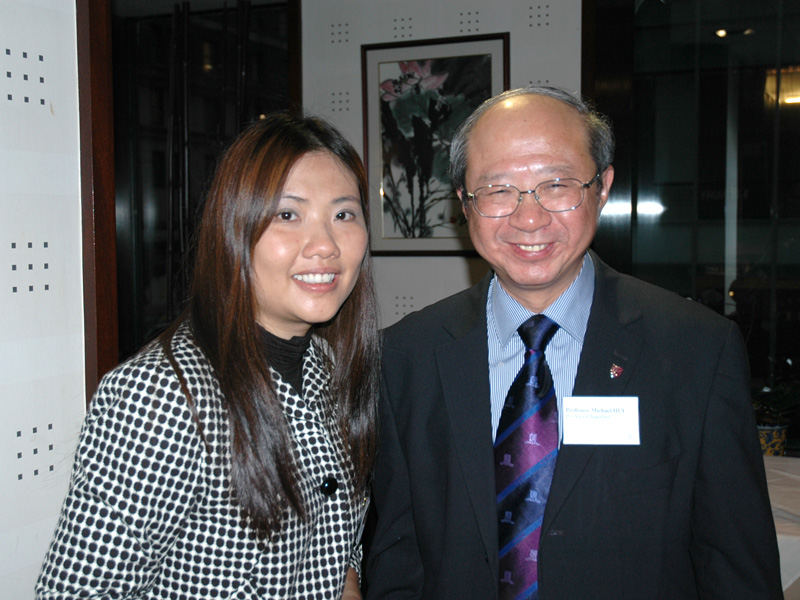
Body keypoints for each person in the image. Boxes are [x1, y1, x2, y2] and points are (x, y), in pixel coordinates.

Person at [365, 86, 783, 599]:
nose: (529, 217)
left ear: (602, 188)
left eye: (556, 184)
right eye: (498, 190)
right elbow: (397, 558)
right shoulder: (406, 356)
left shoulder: (696, 349)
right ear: (464, 204)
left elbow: (735, 562)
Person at [36, 113, 380, 599]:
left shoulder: (328, 370)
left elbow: (335, 553)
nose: (325, 245)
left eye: (344, 215)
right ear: (234, 229)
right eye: (287, 214)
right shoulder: (161, 397)